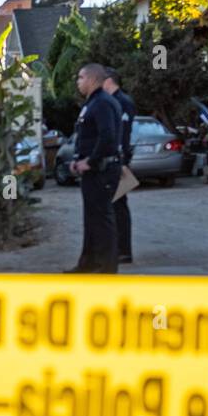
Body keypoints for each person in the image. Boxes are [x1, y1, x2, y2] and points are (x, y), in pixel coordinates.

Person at [67, 63, 123, 274]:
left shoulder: (102, 103)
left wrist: (90, 161)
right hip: (92, 170)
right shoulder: (92, 103)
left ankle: (106, 268)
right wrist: (77, 159)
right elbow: (86, 136)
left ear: (92, 79)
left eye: (80, 78)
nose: (78, 82)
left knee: (102, 219)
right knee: (91, 218)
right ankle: (88, 263)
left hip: (102, 170)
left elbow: (107, 137)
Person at [103, 70, 137, 264]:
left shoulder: (121, 101)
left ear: (108, 81)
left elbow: (122, 133)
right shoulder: (117, 100)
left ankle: (123, 250)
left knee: (118, 205)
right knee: (115, 204)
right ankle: (119, 248)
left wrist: (121, 160)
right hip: (118, 158)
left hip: (119, 159)